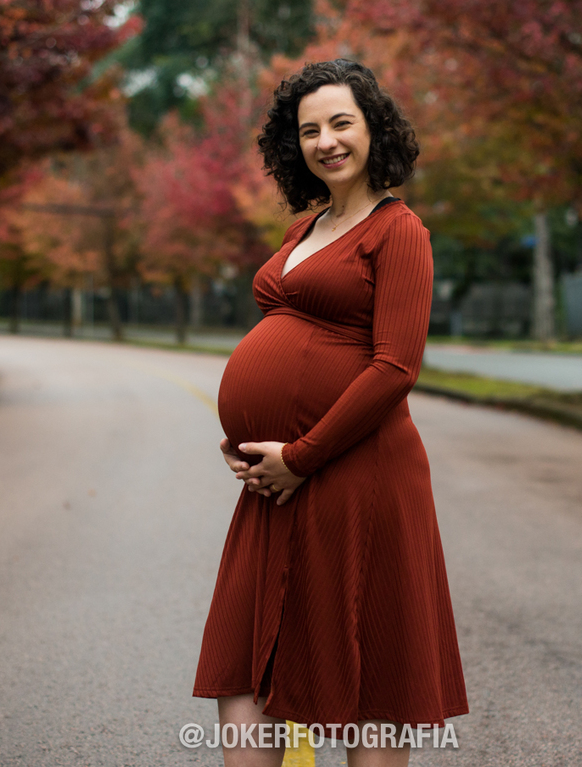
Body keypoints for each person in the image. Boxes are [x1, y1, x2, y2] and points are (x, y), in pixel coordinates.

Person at [194, 59, 468, 767]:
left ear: (375, 129)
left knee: (366, 673)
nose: (327, 140)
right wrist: (248, 441)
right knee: (246, 661)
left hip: (356, 476)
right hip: (279, 478)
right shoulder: (302, 230)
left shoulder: (399, 231)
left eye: (341, 122)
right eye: (309, 129)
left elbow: (396, 366)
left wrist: (302, 455)